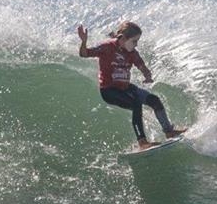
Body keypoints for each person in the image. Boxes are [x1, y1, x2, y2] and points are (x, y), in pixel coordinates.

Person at [78, 21, 186, 150]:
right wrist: (84, 41)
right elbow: (84, 54)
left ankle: (169, 131)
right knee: (136, 104)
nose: (136, 44)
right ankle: (142, 142)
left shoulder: (132, 52)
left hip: (126, 87)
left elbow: (141, 65)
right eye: (134, 41)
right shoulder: (107, 47)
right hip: (109, 90)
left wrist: (147, 75)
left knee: (154, 100)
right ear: (123, 38)